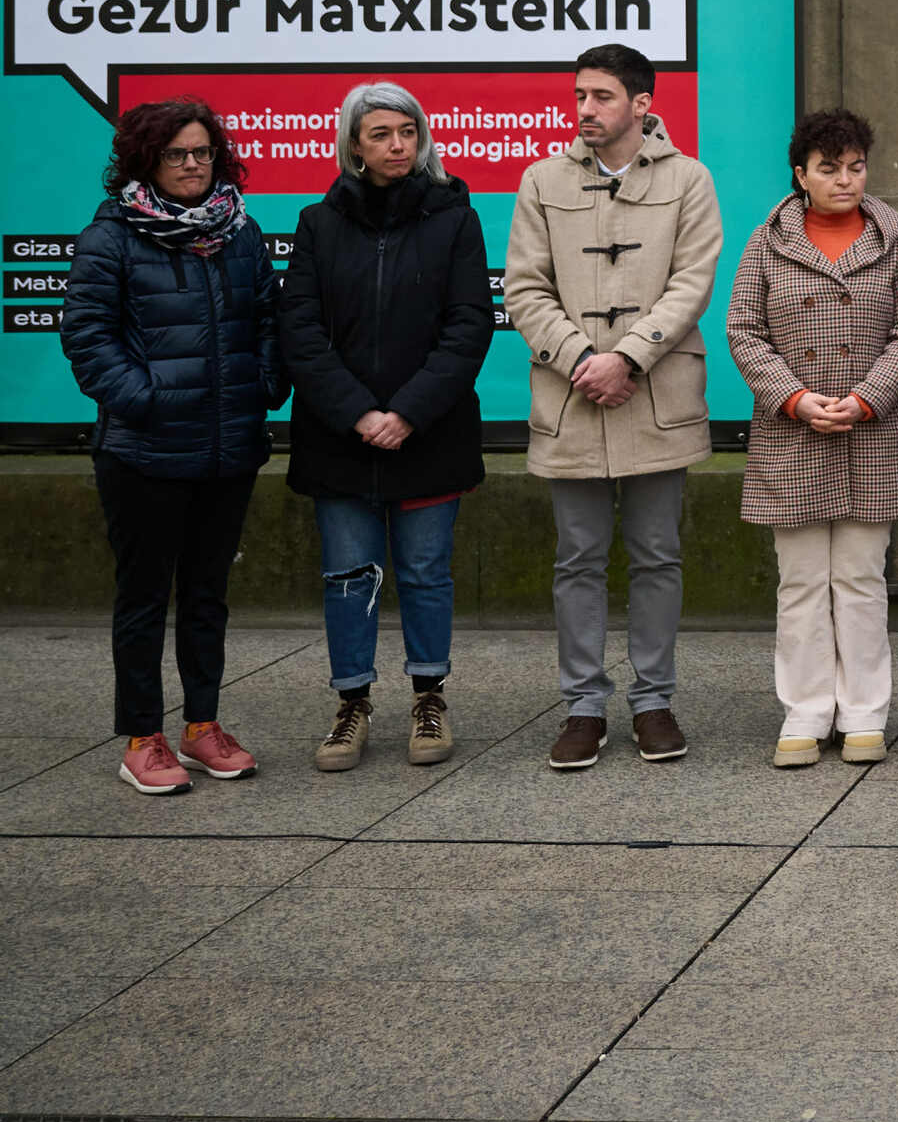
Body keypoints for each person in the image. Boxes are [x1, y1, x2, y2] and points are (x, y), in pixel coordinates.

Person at [503, 43, 725, 771]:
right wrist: (583, 361)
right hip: (573, 397)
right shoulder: (542, 180)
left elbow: (693, 281)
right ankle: (583, 708)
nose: (585, 109)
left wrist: (628, 356)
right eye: (578, 96)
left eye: (600, 96)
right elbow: (525, 288)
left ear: (642, 104)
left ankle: (654, 700)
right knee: (577, 559)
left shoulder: (690, 180)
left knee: (658, 554)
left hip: (654, 394)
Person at [62, 98, 289, 796]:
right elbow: (88, 339)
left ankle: (201, 728)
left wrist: (264, 386)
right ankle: (142, 736)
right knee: (143, 596)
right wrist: (149, 402)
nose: (192, 165)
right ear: (144, 161)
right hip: (144, 453)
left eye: (202, 152)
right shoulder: (111, 238)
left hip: (229, 446)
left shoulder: (239, 232)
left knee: (206, 596)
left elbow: (270, 321)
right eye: (176, 155)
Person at [280, 85, 494, 772]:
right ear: (353, 146)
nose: (398, 145)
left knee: (426, 572)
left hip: (428, 433)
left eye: (408, 131)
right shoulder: (317, 224)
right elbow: (301, 333)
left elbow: (469, 326)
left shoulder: (456, 219)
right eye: (381, 134)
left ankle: (430, 697)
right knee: (348, 575)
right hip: (340, 437)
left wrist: (405, 412)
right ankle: (352, 705)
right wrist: (359, 413)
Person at [727, 109, 898, 768]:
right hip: (794, 433)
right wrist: (794, 398)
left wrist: (867, 398)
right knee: (801, 582)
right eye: (829, 168)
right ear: (801, 174)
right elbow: (744, 331)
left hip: (872, 433)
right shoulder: (767, 240)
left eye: (855, 167)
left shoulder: (893, 235)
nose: (845, 180)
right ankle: (806, 712)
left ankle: (866, 712)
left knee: (862, 577)